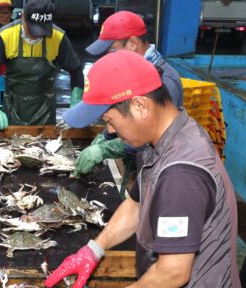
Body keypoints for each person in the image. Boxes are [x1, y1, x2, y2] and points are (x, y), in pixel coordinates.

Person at [46, 50, 246, 288]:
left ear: (140, 106)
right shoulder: (160, 141)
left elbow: (173, 272)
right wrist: (93, 248)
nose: (109, 131)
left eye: (110, 120)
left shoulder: (181, 172)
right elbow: (137, 204)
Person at [68, 11, 184, 179]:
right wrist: (105, 137)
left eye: (112, 50)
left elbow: (150, 134)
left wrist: (105, 149)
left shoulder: (165, 82)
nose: (109, 57)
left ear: (132, 43)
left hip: (158, 171)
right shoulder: (131, 74)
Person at [0, 0, 84, 129]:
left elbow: (76, 69)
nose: (36, 35)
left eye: (42, 30)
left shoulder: (57, 36)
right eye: (33, 28)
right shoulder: (6, 35)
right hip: (14, 107)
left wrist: (76, 103)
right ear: (23, 16)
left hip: (45, 110)